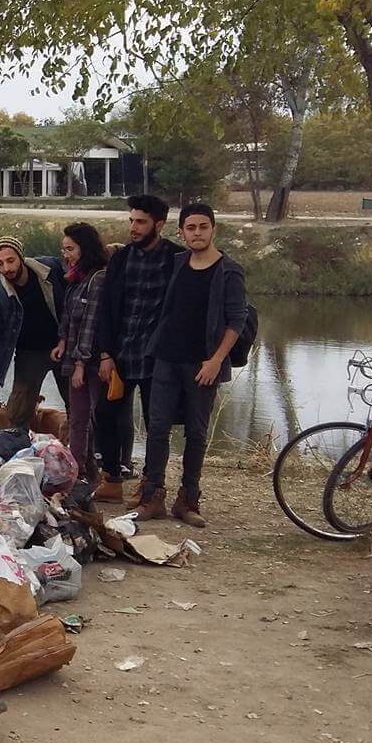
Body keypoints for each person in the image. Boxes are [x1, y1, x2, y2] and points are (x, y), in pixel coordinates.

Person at [134, 203, 247, 527]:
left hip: (202, 363)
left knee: (196, 433)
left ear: (213, 230)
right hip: (167, 357)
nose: (197, 233)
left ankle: (188, 500)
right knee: (157, 427)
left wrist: (216, 360)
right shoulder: (177, 263)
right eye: (190, 228)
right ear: (181, 232)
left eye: (203, 227)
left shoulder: (228, 271)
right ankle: (152, 496)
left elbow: (236, 321)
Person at [94, 194, 185, 502]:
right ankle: (111, 477)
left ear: (159, 224)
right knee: (105, 414)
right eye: (131, 220)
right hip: (121, 355)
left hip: (157, 358)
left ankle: (151, 484)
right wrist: (105, 353)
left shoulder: (176, 259)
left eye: (141, 221)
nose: (134, 227)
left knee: (156, 422)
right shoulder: (120, 258)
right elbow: (105, 309)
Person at [0, 236, 65, 429]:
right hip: (29, 353)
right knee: (16, 415)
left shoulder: (50, 269)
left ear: (21, 257)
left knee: (79, 408)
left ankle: (89, 455)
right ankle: (16, 454)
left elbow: (73, 301)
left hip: (63, 345)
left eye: (10, 260)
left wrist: (66, 338)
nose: (6, 268)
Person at [53, 222, 113, 491]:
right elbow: (70, 317)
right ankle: (83, 473)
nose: (66, 255)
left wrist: (79, 362)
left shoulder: (98, 278)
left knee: (91, 418)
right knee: (77, 419)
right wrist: (62, 342)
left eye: (70, 249)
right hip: (73, 355)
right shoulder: (76, 277)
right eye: (63, 249)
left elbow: (91, 323)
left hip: (91, 362)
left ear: (84, 248)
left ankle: (82, 476)